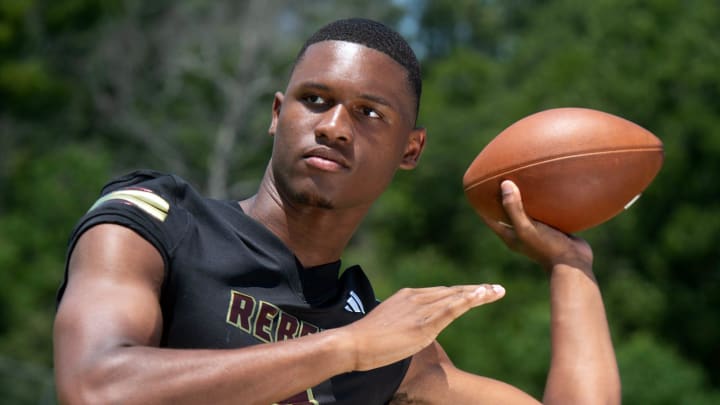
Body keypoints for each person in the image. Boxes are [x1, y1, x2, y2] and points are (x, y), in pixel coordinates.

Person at [53, 18, 621, 405]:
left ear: (411, 150)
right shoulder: (156, 222)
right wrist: (346, 349)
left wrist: (571, 267)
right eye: (315, 100)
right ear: (278, 113)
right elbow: (96, 387)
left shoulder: (393, 347)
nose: (332, 126)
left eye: (369, 113)